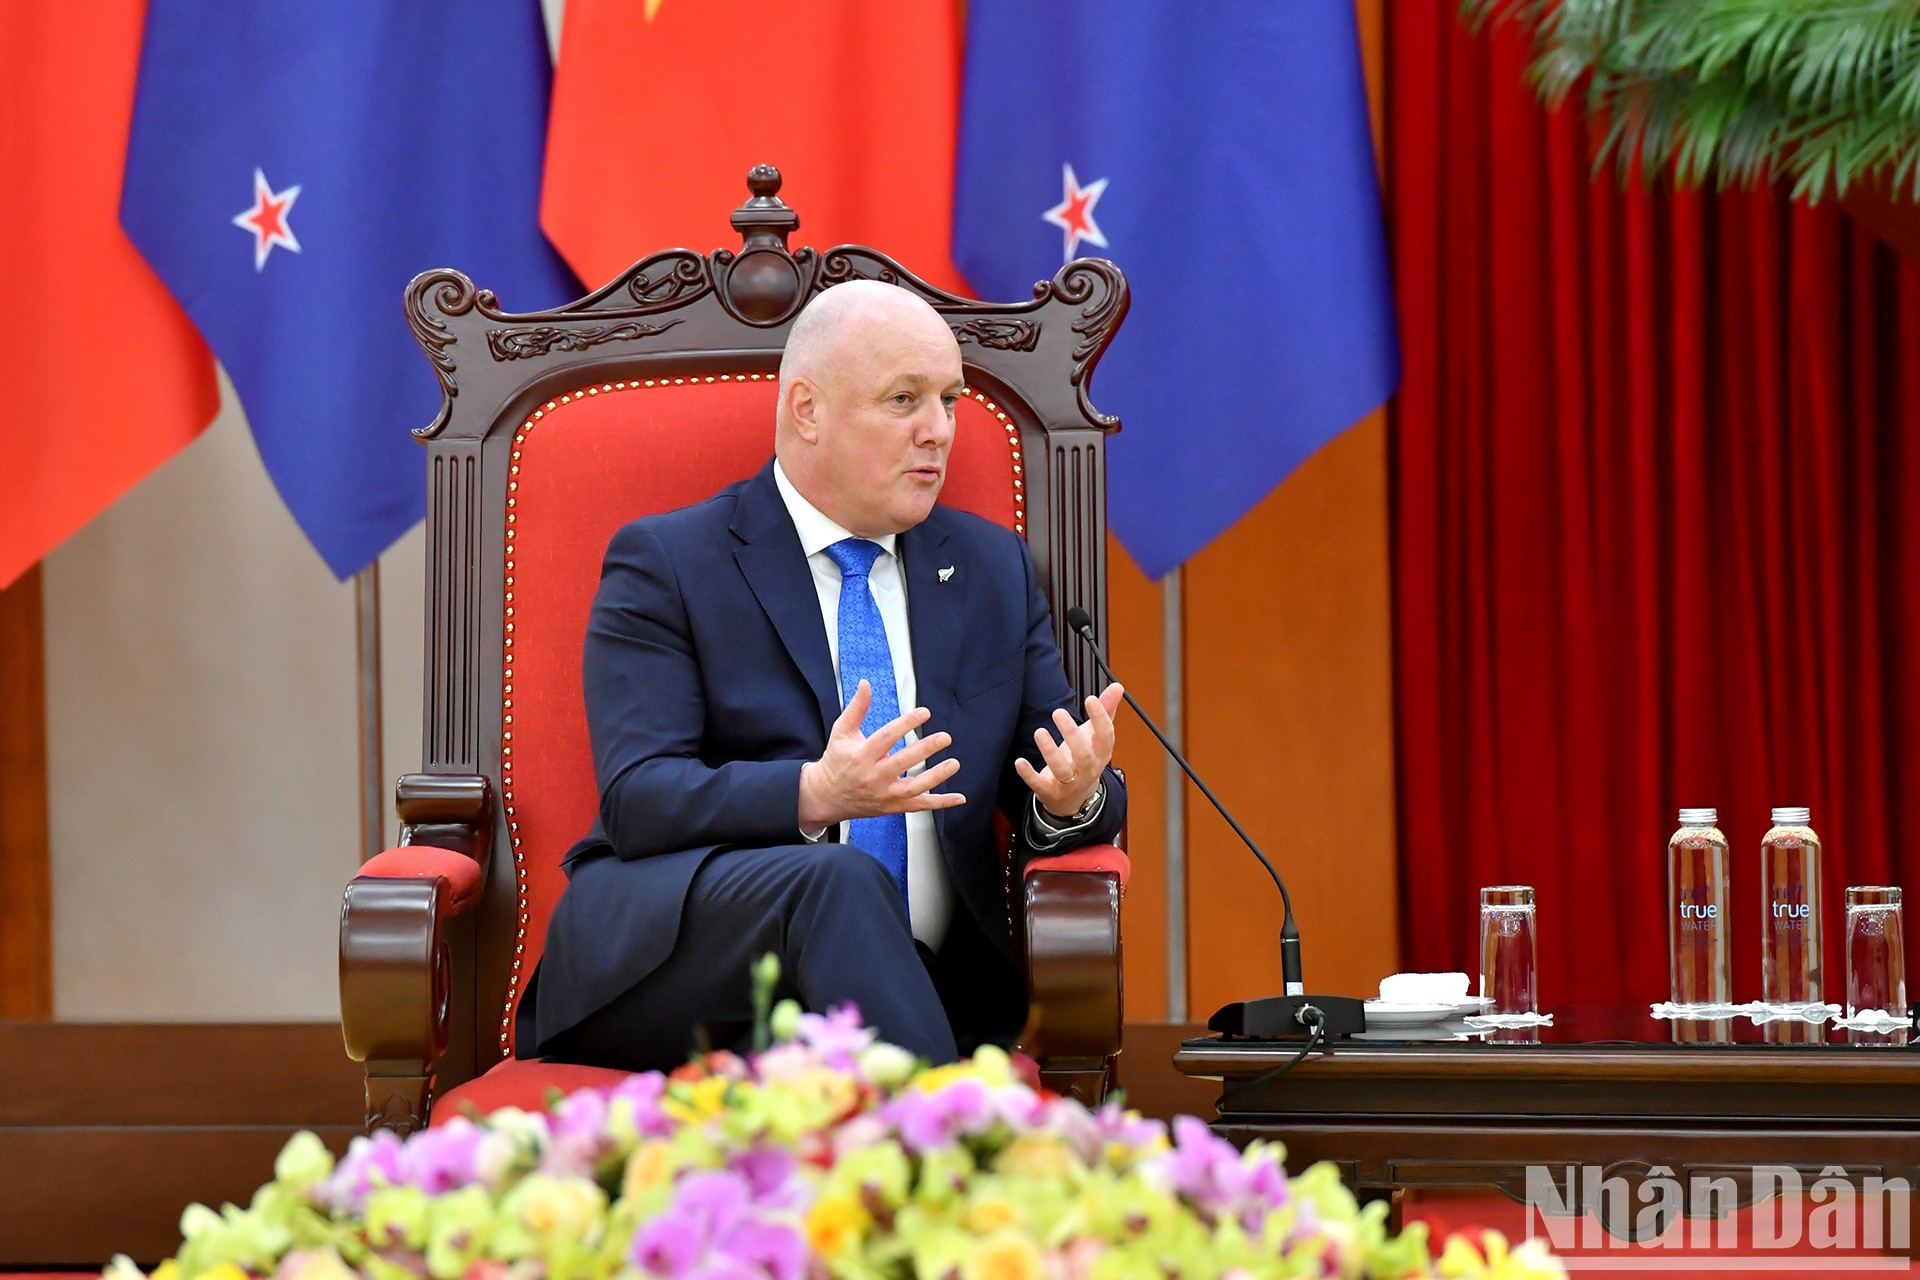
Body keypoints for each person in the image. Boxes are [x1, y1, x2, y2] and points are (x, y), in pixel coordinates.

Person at [519, 279, 1127, 1069]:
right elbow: (641, 799)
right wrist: (816, 793)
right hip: (681, 964)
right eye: (903, 399)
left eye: (949, 399)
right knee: (836, 881)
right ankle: (951, 1149)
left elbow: (1061, 775)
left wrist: (1072, 796)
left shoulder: (989, 571)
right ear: (807, 409)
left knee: (845, 947)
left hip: (927, 985)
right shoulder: (670, 563)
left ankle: (867, 1098)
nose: (938, 431)